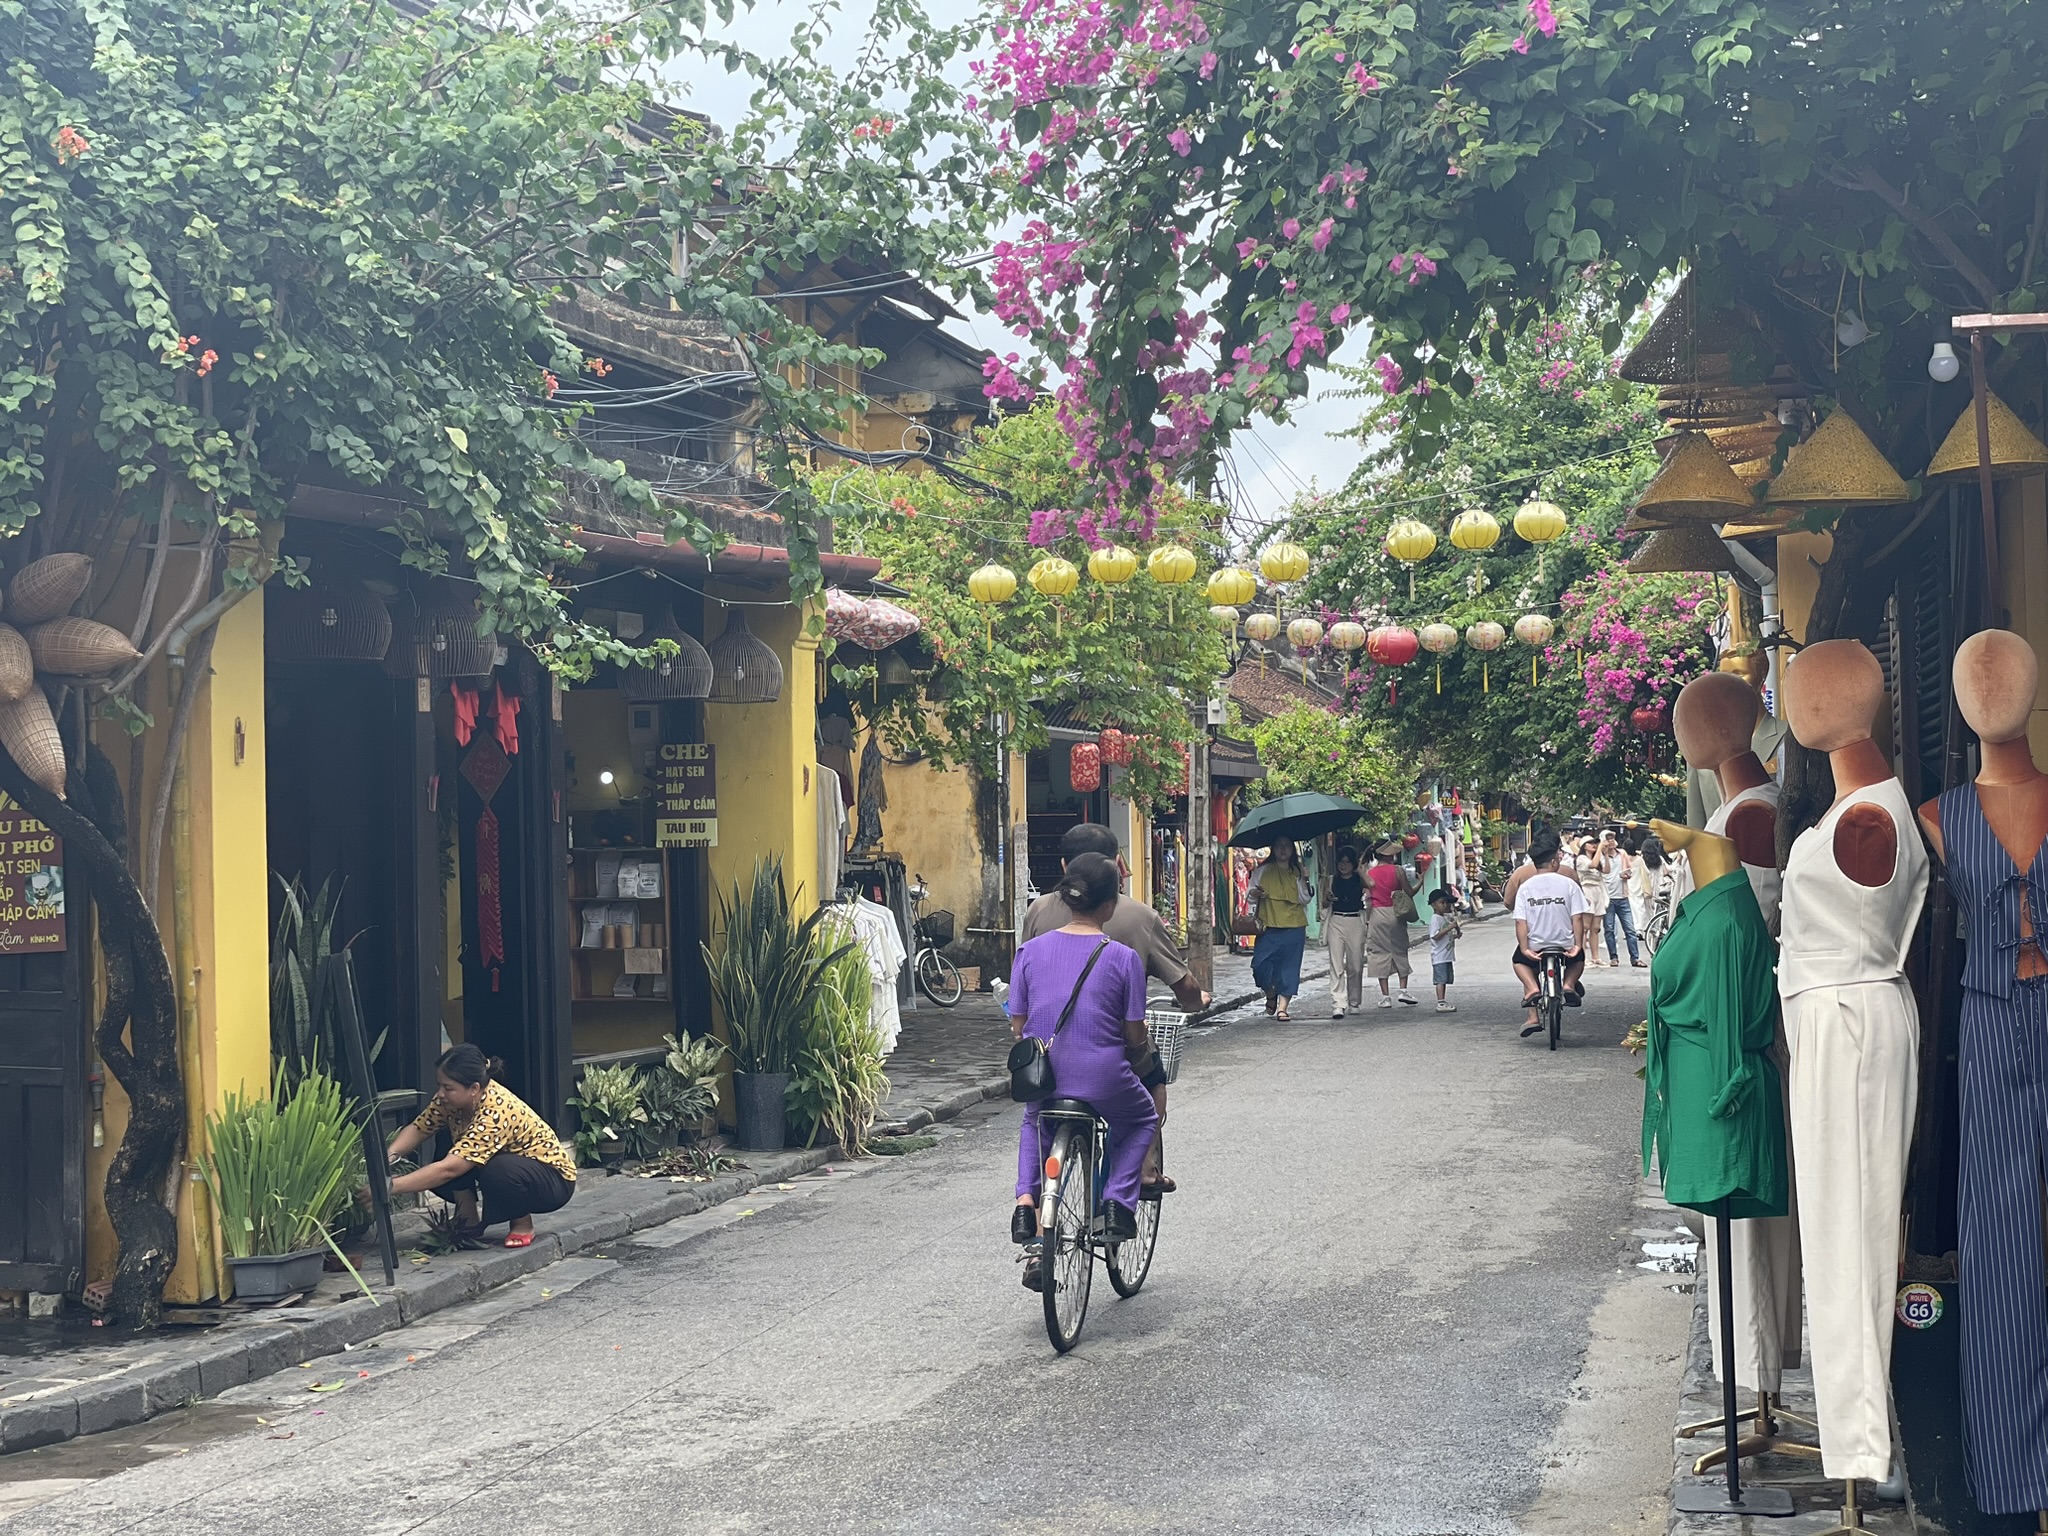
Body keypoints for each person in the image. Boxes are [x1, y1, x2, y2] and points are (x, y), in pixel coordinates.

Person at [1021, 822, 1206, 1194]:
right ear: (1117, 868)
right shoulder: (1137, 919)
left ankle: (1034, 1206)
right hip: (1108, 1056)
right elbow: (1175, 991)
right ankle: (1142, 1170)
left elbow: (1022, 992)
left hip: (1047, 1051)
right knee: (1153, 1085)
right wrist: (1195, 1002)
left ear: (1064, 868)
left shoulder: (1038, 912)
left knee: (1036, 1118)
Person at [1008, 852, 1159, 1290]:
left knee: (1036, 1120)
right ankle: (1115, 1202)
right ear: (1110, 904)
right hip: (1103, 1076)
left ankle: (1026, 1202)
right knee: (1142, 1116)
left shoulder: (1030, 952)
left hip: (1046, 1076)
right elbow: (1133, 1034)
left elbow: (1018, 1025)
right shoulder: (1123, 958)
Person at [381, 1045, 576, 1248]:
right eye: (439, 1085)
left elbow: (450, 1169)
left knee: (499, 1168)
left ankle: (521, 1222)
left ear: (473, 1088)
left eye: (448, 1088)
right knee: (447, 1140)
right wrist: (389, 1157)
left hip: (551, 1181)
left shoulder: (495, 1112)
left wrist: (389, 1187)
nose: (440, 1094)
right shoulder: (448, 1102)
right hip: (504, 1169)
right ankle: (467, 1219)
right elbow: (420, 1128)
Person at [1513, 834, 1588, 1038]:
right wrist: (1577, 944)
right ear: (1555, 861)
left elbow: (1521, 922)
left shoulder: (1526, 888)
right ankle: (1568, 985)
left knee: (1519, 961)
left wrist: (1525, 948)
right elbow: (1578, 918)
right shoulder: (1569, 884)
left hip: (1537, 944)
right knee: (1578, 959)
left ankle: (1531, 990)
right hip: (1564, 943)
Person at [1250, 841, 1311, 1020]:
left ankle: (1283, 1008)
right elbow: (1250, 897)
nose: (1283, 850)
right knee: (1259, 966)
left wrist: (1305, 878)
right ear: (1273, 849)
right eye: (1279, 846)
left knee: (1289, 969)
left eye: (1287, 846)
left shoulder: (1298, 872)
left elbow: (1305, 899)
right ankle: (1270, 992)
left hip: (1294, 926)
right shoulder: (1261, 871)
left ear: (1292, 850)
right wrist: (1255, 893)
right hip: (1268, 926)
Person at [1365, 840, 1420, 1006]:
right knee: (1400, 950)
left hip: (1376, 914)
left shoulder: (1370, 873)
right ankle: (1403, 991)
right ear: (1388, 854)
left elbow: (1367, 897)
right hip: (1396, 913)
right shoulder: (1398, 870)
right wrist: (1421, 881)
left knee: (1379, 952)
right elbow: (1409, 892)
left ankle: (1385, 997)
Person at [1323, 845, 1368, 1018]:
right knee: (1336, 965)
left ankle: (1354, 1002)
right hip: (1336, 920)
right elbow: (1324, 904)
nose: (1344, 865)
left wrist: (1360, 870)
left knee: (1355, 965)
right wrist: (1327, 899)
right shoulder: (1332, 879)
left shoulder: (1359, 879)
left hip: (1355, 920)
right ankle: (1338, 1003)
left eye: (1348, 862)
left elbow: (1371, 884)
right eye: (1341, 862)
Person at [1600, 828, 1646, 966]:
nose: (1611, 841)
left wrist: (1627, 874)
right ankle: (1613, 957)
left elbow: (1629, 870)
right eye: (1608, 839)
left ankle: (1635, 958)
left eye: (1612, 838)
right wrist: (1605, 854)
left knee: (1630, 929)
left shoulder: (1622, 854)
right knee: (1609, 929)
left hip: (1622, 896)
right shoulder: (1600, 857)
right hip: (1608, 897)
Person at [1575, 834, 1612, 965]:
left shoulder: (1597, 858)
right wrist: (1600, 848)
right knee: (1585, 927)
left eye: (1595, 843)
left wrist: (1605, 855)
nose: (1594, 845)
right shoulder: (1581, 859)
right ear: (1584, 846)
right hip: (1587, 891)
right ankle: (1583, 957)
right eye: (1591, 843)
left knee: (1596, 927)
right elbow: (1593, 865)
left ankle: (1596, 956)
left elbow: (1606, 870)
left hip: (1598, 891)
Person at [1427, 887, 1461, 1013]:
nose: (1445, 905)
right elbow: (1435, 935)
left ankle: (1443, 1000)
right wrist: (1449, 928)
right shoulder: (1435, 919)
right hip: (1439, 956)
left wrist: (1456, 931)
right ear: (1434, 905)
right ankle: (1440, 1002)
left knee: (1445, 979)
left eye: (1446, 902)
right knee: (1440, 980)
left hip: (1446, 955)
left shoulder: (1445, 918)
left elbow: (1448, 935)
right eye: (1442, 902)